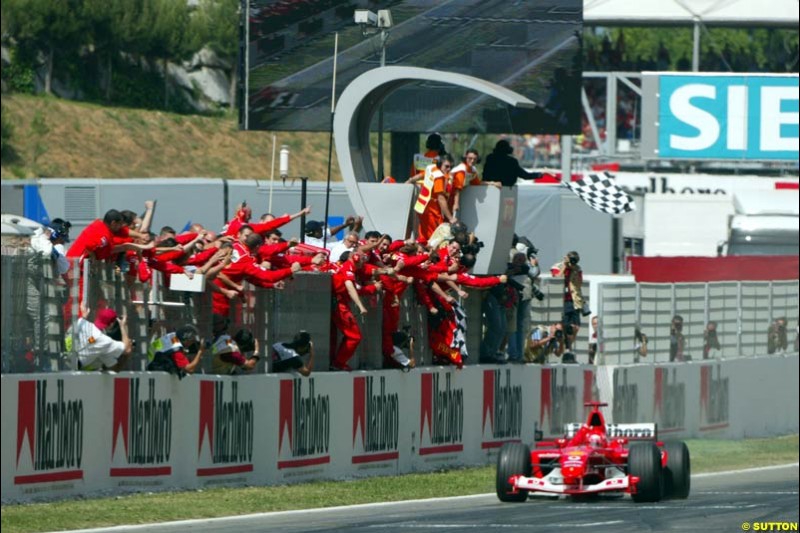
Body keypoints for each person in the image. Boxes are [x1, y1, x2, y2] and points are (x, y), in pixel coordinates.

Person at [64, 304, 133, 371]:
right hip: (74, 368)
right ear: (111, 324)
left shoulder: (82, 322)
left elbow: (90, 340)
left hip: (63, 360)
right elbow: (127, 349)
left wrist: (84, 316)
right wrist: (122, 326)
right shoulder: (104, 340)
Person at [411, 154, 456, 242]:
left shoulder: (431, 168)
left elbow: (420, 176)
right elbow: (440, 198)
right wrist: (451, 218)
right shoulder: (439, 176)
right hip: (432, 210)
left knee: (423, 236)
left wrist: (409, 181)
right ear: (439, 164)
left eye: (450, 167)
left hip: (422, 207)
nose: (449, 169)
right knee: (435, 238)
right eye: (446, 166)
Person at [552, 251, 585, 353]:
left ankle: (569, 346)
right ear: (565, 258)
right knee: (565, 325)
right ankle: (565, 347)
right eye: (570, 259)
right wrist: (565, 267)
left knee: (575, 327)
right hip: (562, 300)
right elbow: (556, 279)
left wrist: (574, 270)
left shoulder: (577, 269)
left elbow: (579, 284)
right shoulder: (557, 266)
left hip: (574, 300)